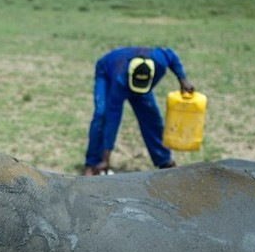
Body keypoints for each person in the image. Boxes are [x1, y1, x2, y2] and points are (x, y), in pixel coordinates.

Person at [82, 46, 195, 176]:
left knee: (152, 118)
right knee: (102, 115)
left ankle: (164, 161)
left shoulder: (159, 60)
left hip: (140, 85)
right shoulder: (119, 81)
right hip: (107, 73)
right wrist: (106, 158)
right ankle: (94, 163)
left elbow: (171, 56)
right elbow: (113, 119)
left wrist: (182, 79)